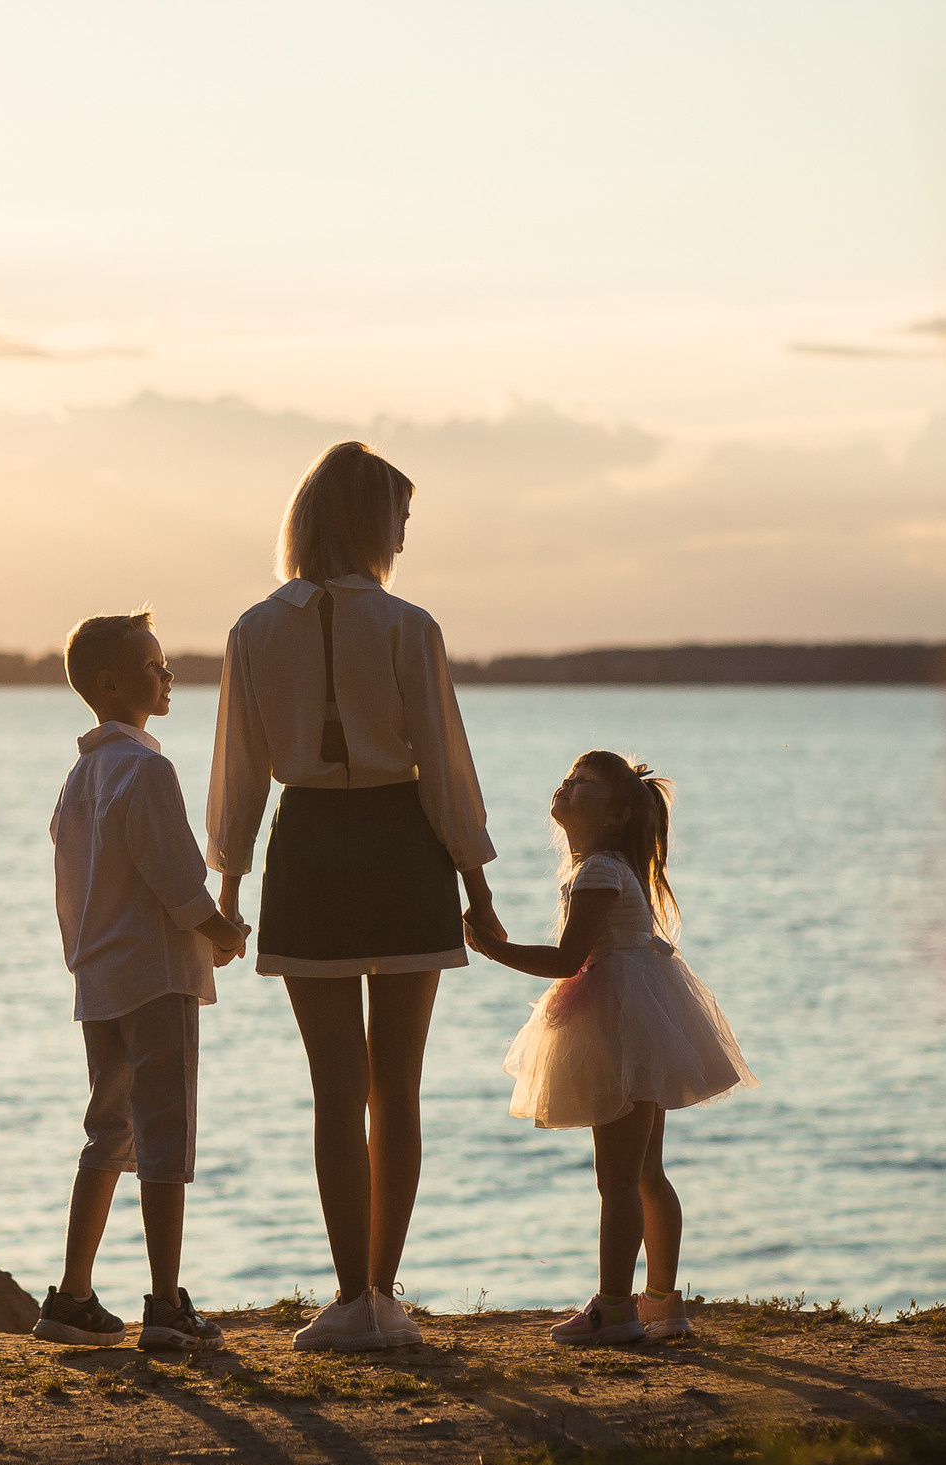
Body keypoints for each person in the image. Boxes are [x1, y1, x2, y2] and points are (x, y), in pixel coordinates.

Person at [205, 441, 504, 1352]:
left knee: (335, 1089)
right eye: (401, 520)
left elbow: (238, 774)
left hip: (310, 853)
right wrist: (478, 886)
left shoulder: (255, 628)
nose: (405, 539)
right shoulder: (410, 626)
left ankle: (350, 1297)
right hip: (402, 848)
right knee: (394, 1087)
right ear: (373, 521)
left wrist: (229, 884)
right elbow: (446, 770)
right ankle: (378, 1296)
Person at [465, 750, 756, 1345]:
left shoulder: (598, 869)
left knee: (617, 1178)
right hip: (642, 1008)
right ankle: (662, 1302)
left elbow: (568, 960)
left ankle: (616, 1309)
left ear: (618, 813)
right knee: (647, 1170)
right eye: (569, 777)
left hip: (620, 1018)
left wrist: (491, 948)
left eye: (584, 783)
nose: (566, 785)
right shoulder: (613, 866)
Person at [35, 609, 251, 1351]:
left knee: (109, 1130)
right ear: (110, 682)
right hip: (156, 977)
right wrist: (223, 934)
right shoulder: (146, 770)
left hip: (98, 977)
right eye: (154, 664)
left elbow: (76, 887)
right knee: (164, 1135)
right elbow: (178, 884)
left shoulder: (79, 777)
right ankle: (165, 1302)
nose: (167, 675)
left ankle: (72, 1292)